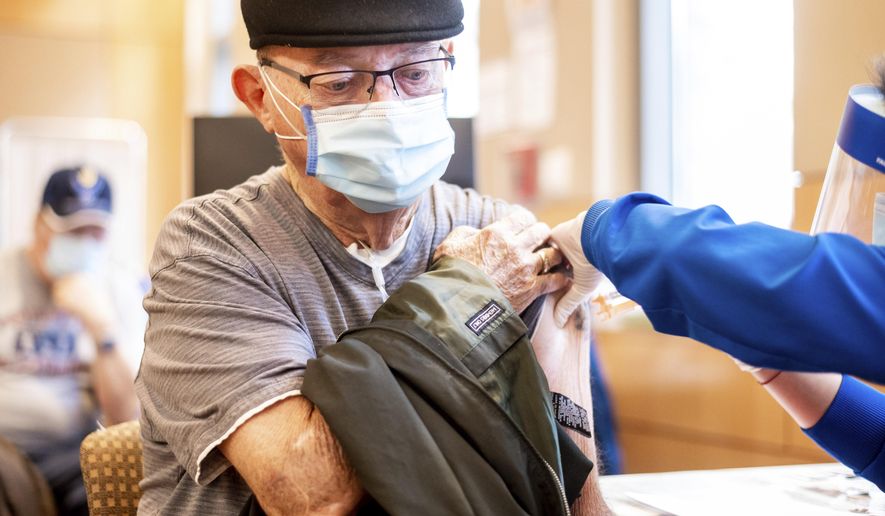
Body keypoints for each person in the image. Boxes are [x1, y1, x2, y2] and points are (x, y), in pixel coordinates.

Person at [135, 1, 609, 514]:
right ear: (261, 98)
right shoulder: (212, 246)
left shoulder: (499, 235)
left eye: (416, 72)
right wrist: (467, 298)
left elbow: (570, 491)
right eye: (338, 81)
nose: (386, 105)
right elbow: (310, 492)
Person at [0, 166, 144, 515]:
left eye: (95, 232)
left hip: (77, 452)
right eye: (72, 230)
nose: (84, 242)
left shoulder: (117, 288)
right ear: (39, 224)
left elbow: (128, 418)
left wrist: (102, 330)